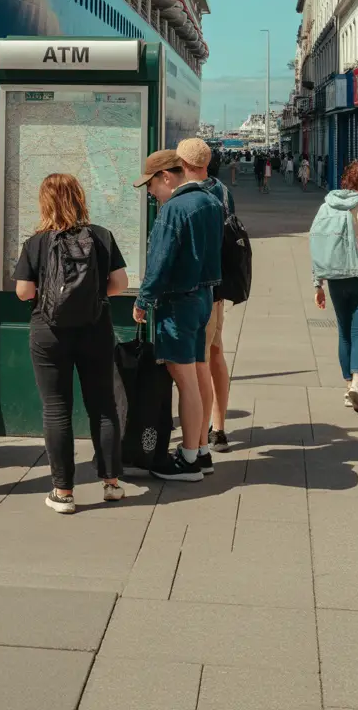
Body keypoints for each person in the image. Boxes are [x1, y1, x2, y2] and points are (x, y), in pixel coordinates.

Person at [14, 174, 127, 514]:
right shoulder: (102, 236)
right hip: (95, 328)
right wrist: (90, 298)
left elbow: (24, 292)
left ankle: (63, 492)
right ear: (80, 198)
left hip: (49, 333)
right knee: (103, 405)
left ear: (44, 203)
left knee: (56, 408)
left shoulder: (36, 242)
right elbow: (119, 283)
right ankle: (111, 484)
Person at [132, 149, 223, 482]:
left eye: (151, 185)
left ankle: (187, 460)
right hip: (204, 297)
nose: (151, 193)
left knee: (185, 382)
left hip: (178, 303)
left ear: (166, 177)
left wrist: (143, 300)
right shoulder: (211, 201)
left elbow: (159, 261)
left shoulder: (173, 209)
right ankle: (200, 451)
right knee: (198, 378)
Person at [177, 138, 235, 454]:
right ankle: (219, 427)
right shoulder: (223, 192)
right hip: (218, 288)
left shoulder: (187, 196)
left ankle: (197, 442)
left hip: (196, 288)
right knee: (215, 353)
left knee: (197, 362)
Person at [312, 160, 358, 415]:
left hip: (336, 275)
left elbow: (317, 243)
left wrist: (317, 284)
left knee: (344, 332)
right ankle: (356, 382)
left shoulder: (328, 204)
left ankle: (347, 389)